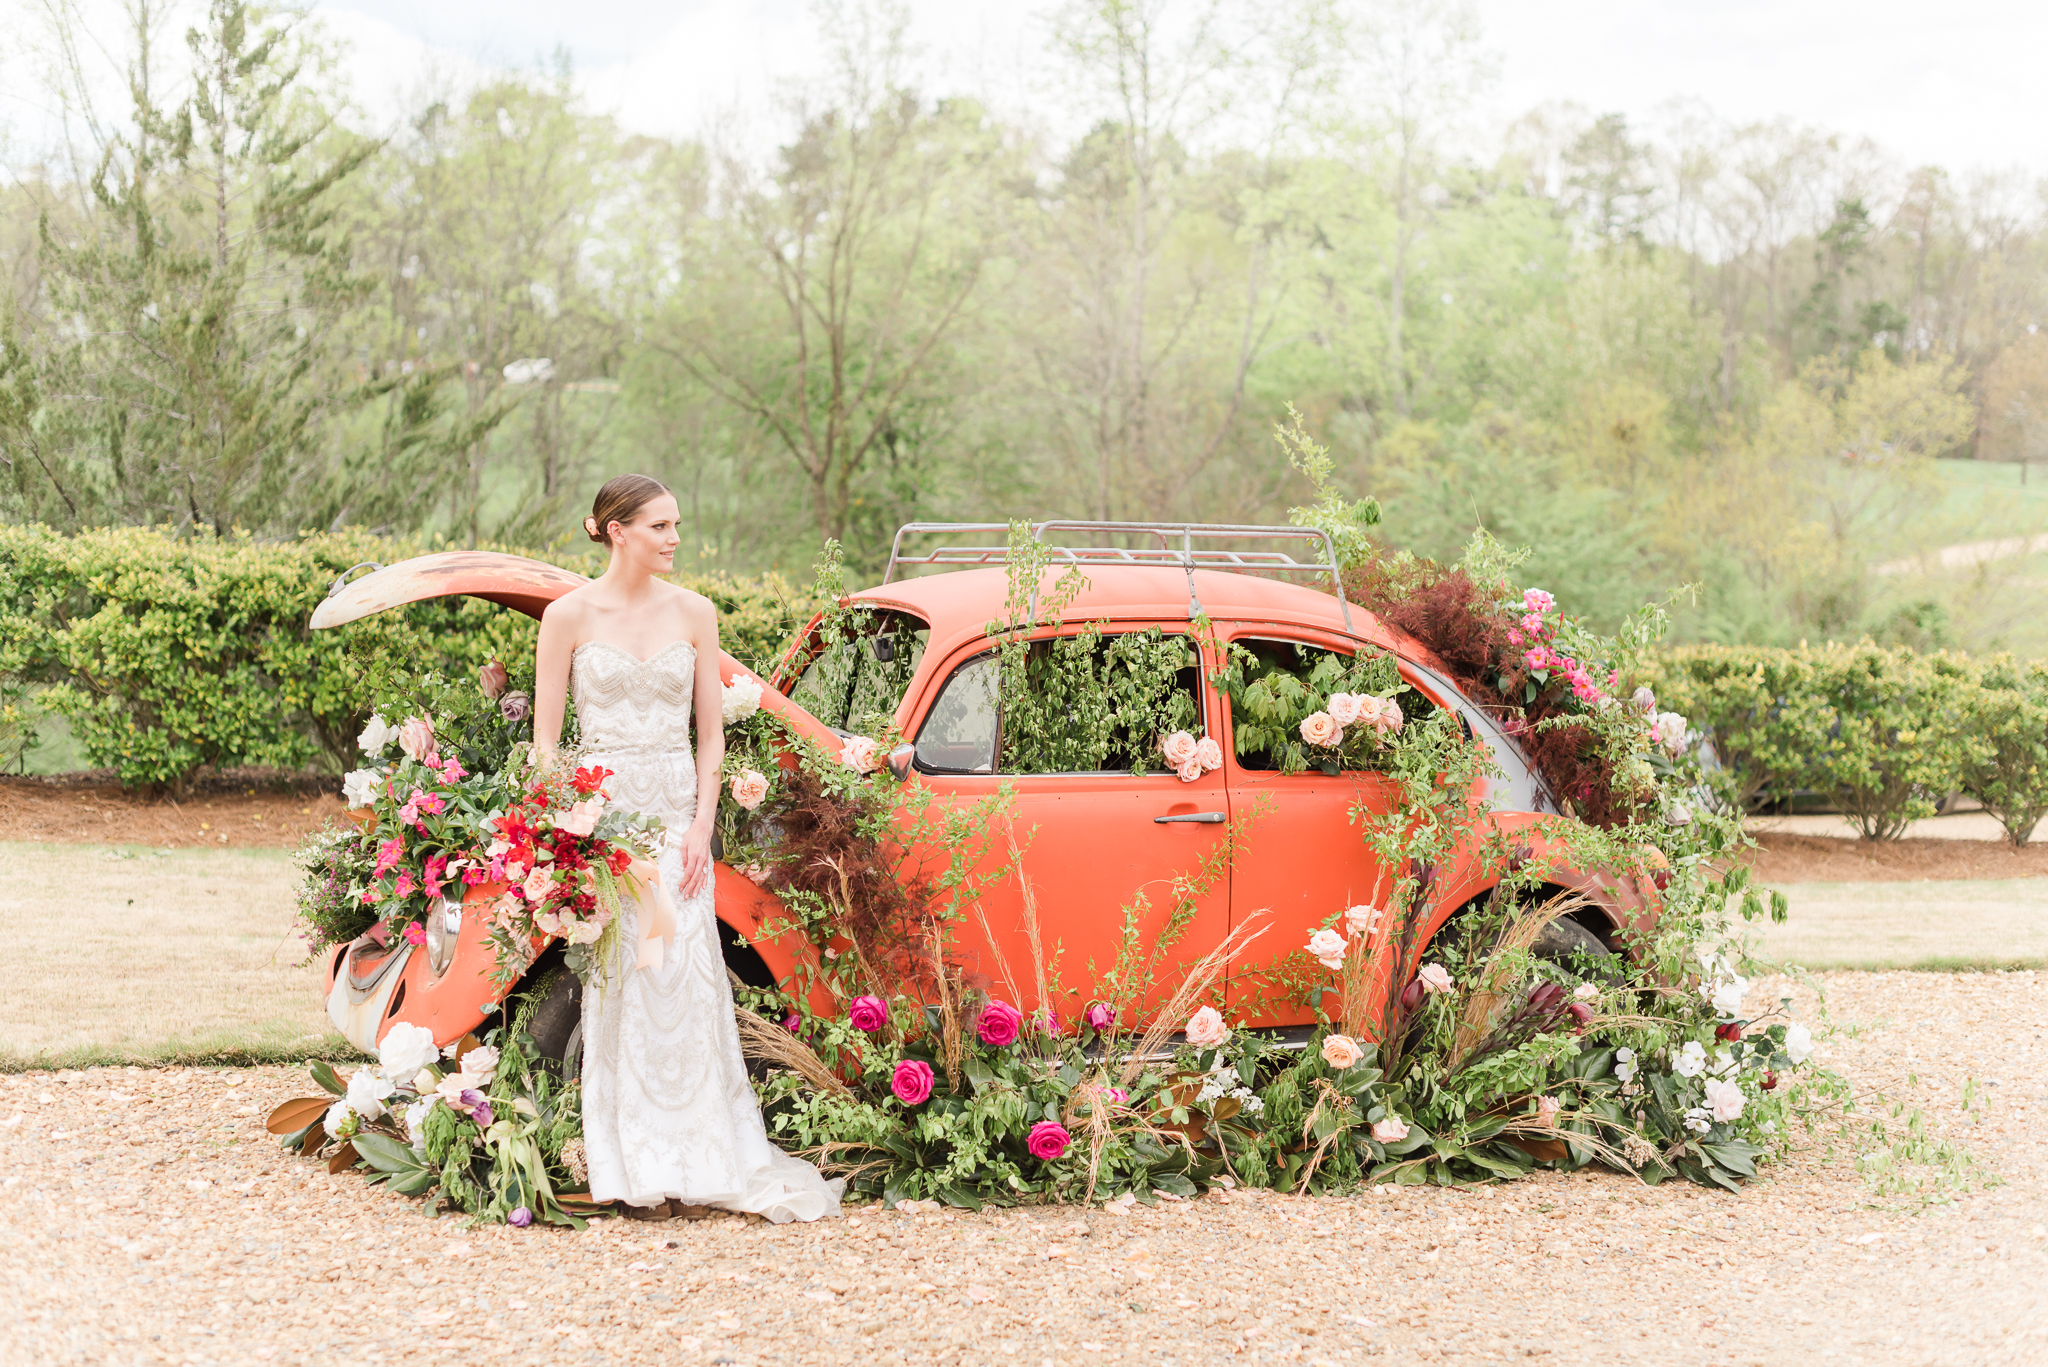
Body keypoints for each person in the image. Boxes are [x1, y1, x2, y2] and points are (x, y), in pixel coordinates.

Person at [531, 473, 842, 1223]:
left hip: (678, 827)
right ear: (615, 530)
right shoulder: (566, 616)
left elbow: (713, 733)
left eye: (677, 524)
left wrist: (703, 822)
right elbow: (545, 741)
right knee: (621, 991)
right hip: (603, 831)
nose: (675, 538)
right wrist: (568, 830)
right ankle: (632, 1166)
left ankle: (701, 1163)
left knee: (686, 985)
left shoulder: (695, 613)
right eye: (660, 526)